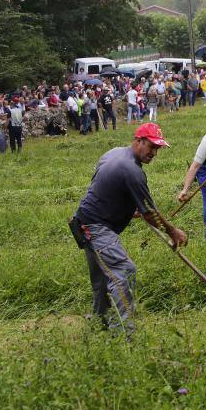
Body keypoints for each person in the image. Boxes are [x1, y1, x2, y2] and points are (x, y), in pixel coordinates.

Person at [72, 123, 187, 338]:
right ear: (138, 141)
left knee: (102, 278)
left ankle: (100, 322)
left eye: (157, 149)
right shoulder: (132, 171)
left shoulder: (114, 153)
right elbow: (150, 213)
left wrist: (127, 207)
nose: (154, 153)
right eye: (151, 147)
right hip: (95, 228)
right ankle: (123, 333)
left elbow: (105, 187)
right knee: (123, 270)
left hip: (83, 222)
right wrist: (173, 232)